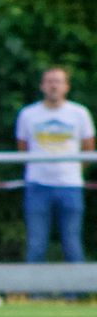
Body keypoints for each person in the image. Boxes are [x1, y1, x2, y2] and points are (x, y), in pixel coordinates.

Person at [15, 67, 95, 263]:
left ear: (66, 86)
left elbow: (88, 148)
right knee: (36, 244)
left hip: (70, 185)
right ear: (42, 86)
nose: (53, 86)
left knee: (72, 243)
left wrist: (72, 171)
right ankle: (32, 283)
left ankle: (77, 284)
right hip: (37, 185)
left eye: (58, 81)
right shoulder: (28, 114)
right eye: (49, 81)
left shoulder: (80, 113)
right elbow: (22, 148)